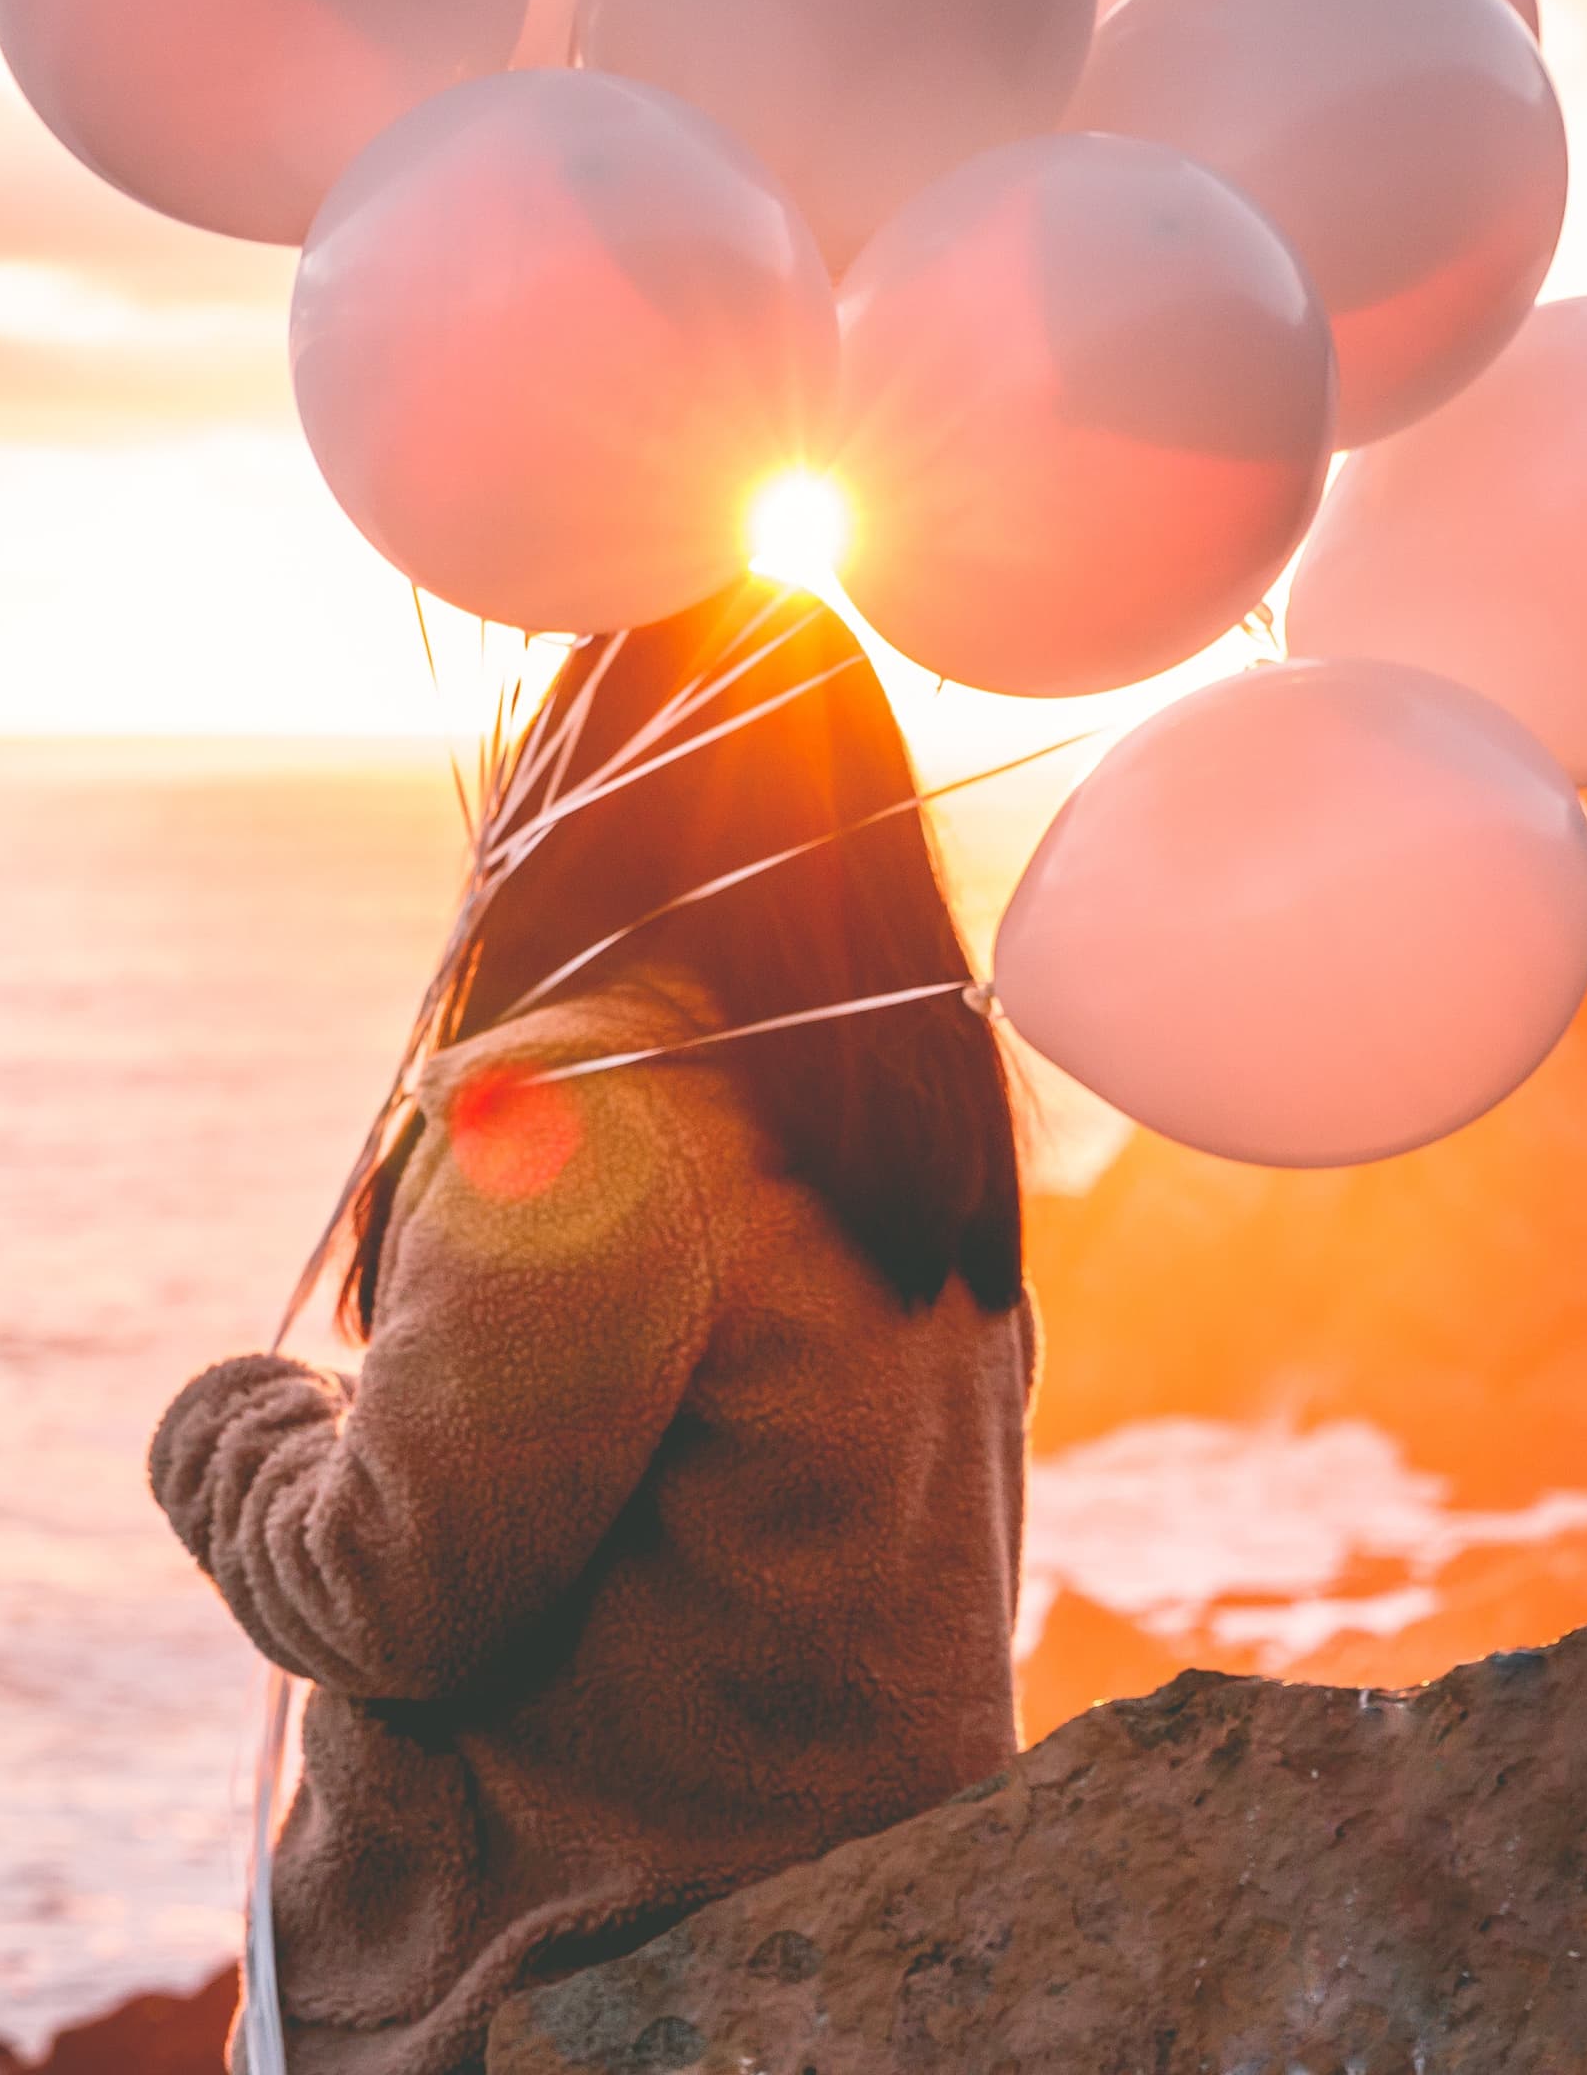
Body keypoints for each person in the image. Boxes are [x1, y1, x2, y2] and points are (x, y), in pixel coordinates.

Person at [148, 580, 1035, 2075]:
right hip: (871, 1946)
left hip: (578, 1981)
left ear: (582, 798)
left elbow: (393, 1599)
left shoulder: (598, 1114)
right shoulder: (909, 1103)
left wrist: (230, 1428)